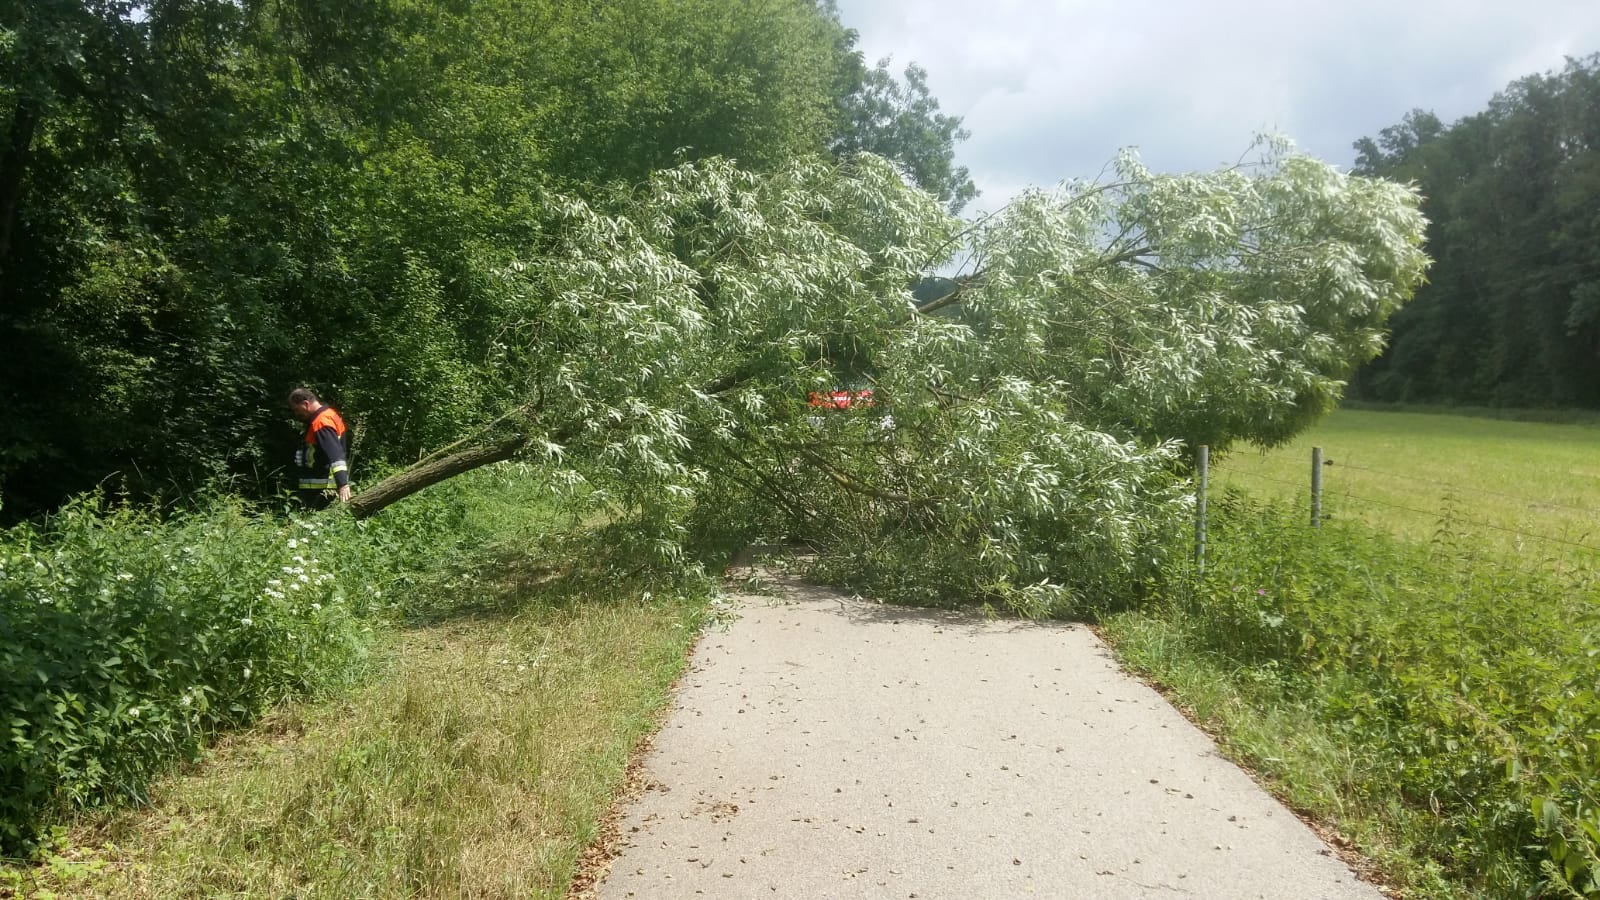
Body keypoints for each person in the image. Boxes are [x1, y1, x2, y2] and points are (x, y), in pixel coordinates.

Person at [288, 387, 352, 508]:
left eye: (296, 409)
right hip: (320, 485)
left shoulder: (321, 422)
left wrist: (343, 484)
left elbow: (335, 454)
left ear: (306, 404)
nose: (296, 414)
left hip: (321, 488)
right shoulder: (327, 416)